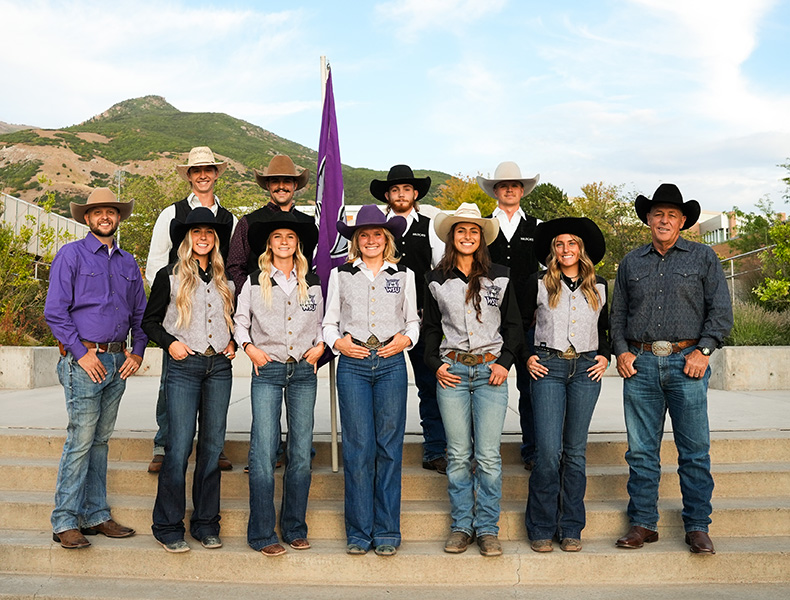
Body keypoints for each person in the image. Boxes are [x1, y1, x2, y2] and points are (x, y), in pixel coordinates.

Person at [611, 183, 733, 555]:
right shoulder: (632, 261)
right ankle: (644, 523)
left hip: (687, 365)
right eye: (658, 214)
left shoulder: (703, 257)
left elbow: (721, 312)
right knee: (641, 451)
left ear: (682, 221)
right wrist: (621, 351)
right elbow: (617, 315)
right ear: (648, 219)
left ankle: (697, 526)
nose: (664, 220)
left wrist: (705, 350)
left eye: (672, 215)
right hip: (641, 365)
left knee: (694, 450)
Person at [44, 187, 147, 549]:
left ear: (119, 218)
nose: (105, 216)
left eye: (112, 211)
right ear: (86, 218)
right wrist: (80, 352)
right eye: (98, 211)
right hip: (84, 362)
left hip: (118, 362)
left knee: (100, 441)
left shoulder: (128, 262)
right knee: (81, 440)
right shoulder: (70, 255)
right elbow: (55, 311)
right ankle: (64, 520)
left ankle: (95, 514)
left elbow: (140, 314)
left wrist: (136, 352)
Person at [423, 202, 524, 557]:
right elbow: (431, 329)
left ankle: (488, 528)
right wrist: (435, 363)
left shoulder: (501, 275)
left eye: (473, 231)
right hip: (452, 371)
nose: (467, 236)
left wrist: (505, 363)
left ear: (481, 238)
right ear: (452, 238)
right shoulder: (435, 280)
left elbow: (514, 326)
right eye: (461, 230)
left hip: (489, 373)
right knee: (458, 453)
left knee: (488, 455)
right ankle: (462, 525)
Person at [322, 204, 419, 557]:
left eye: (377, 234)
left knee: (389, 448)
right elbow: (329, 321)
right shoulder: (340, 275)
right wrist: (338, 342)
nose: (371, 240)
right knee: (358, 447)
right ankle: (360, 531)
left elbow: (413, 321)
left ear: (387, 238)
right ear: (356, 241)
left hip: (391, 363)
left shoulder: (403, 274)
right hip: (354, 363)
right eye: (364, 235)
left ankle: (388, 530)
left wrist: (407, 340)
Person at [142, 208, 236, 553]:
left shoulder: (228, 280)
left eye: (209, 233)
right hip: (183, 367)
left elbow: (240, 320)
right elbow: (149, 322)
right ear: (187, 237)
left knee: (211, 450)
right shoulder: (170, 276)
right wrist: (171, 343)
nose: (203, 237)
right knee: (178, 448)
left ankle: (206, 524)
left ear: (215, 239)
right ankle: (167, 526)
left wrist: (233, 342)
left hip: (218, 369)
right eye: (196, 231)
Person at [234, 212, 324, 556]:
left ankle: (294, 528)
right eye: (277, 238)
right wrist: (250, 349)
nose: (284, 242)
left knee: (300, 452)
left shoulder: (312, 282)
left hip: (303, 372)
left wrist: (319, 347)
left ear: (297, 244)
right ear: (268, 245)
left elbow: (322, 323)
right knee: (263, 450)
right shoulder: (254, 283)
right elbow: (240, 323)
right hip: (267, 371)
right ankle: (261, 534)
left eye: (289, 237)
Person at [145, 146, 238, 473]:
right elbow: (156, 262)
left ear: (215, 174)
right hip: (180, 308)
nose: (202, 175)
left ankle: (215, 447)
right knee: (170, 381)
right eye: (196, 170)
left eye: (208, 169)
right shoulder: (170, 214)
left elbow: (235, 265)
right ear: (189, 175)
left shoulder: (230, 219)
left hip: (215, 307)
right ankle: (164, 444)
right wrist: (172, 295)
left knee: (215, 388)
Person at [524, 217, 610, 553]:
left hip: (586, 369)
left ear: (581, 249)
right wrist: (526, 356)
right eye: (559, 244)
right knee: (548, 451)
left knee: (575, 452)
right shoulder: (538, 282)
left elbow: (608, 325)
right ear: (552, 250)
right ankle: (542, 525)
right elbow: (515, 323)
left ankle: (571, 525)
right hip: (549, 366)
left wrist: (606, 355)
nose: (566, 249)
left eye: (572, 243)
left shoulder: (599, 285)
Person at [370, 164, 447, 474]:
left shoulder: (429, 226)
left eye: (406, 189)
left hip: (420, 318)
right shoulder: (377, 228)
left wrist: (433, 309)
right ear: (388, 195)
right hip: (381, 323)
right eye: (395, 190)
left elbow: (439, 270)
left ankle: (435, 450)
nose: (400, 194)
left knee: (429, 384)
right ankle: (379, 449)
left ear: (415, 194)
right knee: (378, 386)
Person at [478, 162, 541, 470]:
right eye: (503, 185)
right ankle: (482, 452)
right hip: (489, 322)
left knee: (530, 389)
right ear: (495, 190)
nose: (509, 189)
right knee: (484, 387)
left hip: (529, 321)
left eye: (515, 185)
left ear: (522, 190)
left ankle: (531, 450)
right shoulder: (484, 225)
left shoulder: (537, 227)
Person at [227, 154, 314, 295]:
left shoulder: (307, 223)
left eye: (286, 181)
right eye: (275, 181)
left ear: (295, 185)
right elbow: (235, 267)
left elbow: (311, 266)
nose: (281, 186)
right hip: (259, 303)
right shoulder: (248, 222)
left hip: (298, 303)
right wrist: (251, 297)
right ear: (268, 185)